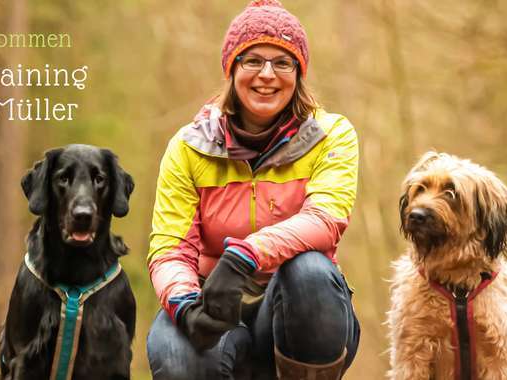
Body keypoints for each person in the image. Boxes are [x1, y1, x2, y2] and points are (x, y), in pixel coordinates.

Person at [145, 1, 360, 379]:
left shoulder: (331, 135)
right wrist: (183, 301)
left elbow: (325, 220)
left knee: (310, 270)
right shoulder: (188, 146)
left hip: (297, 311)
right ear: (232, 68)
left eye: (282, 62)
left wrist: (246, 255)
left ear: (298, 73)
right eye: (253, 61)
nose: (267, 75)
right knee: (175, 349)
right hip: (214, 302)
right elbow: (169, 248)